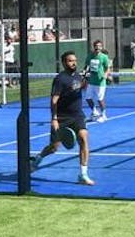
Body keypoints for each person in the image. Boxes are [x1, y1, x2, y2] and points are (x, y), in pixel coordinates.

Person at [29, 51, 93, 186]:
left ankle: (83, 174)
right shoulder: (60, 79)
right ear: (64, 63)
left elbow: (81, 88)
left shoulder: (77, 76)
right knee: (54, 147)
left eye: (75, 60)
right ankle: (37, 160)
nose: (74, 63)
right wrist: (54, 119)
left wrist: (86, 80)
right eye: (70, 61)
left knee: (83, 137)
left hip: (77, 115)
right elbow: (54, 100)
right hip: (62, 117)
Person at [84, 40, 111, 122]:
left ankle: (103, 115)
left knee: (100, 99)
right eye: (96, 46)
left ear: (101, 47)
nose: (97, 47)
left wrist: (106, 74)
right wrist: (85, 72)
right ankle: (94, 112)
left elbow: (107, 68)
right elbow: (86, 66)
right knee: (88, 98)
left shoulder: (104, 57)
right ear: (94, 47)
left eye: (99, 46)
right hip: (91, 82)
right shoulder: (90, 56)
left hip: (100, 82)